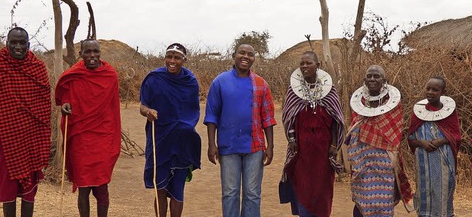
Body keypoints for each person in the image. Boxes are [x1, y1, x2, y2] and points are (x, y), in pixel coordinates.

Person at [0, 27, 51, 217]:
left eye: (22, 43)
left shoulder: (37, 68)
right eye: (13, 42)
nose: (17, 46)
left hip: (31, 138)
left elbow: (43, 105)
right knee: (7, 188)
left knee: (30, 189)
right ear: (6, 43)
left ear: (28, 45)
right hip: (4, 138)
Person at [204, 43, 276, 217]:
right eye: (242, 53)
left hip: (255, 147)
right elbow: (212, 115)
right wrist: (211, 144)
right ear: (233, 55)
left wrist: (270, 146)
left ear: (254, 59)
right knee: (230, 193)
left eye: (250, 54)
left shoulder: (261, 84)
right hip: (228, 146)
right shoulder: (220, 82)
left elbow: (267, 118)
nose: (246, 57)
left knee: (252, 194)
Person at [55, 39, 122, 217]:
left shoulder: (110, 75)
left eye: (95, 52)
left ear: (100, 53)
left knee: (101, 186)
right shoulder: (73, 75)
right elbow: (65, 98)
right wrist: (65, 105)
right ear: (81, 54)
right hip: (81, 138)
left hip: (103, 136)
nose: (92, 56)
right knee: (83, 187)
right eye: (88, 52)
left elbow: (113, 108)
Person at [279, 51, 345, 217]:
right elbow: (289, 116)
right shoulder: (294, 90)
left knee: (322, 188)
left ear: (318, 65)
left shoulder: (329, 90)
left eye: (308, 63)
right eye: (302, 63)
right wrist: (292, 138)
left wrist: (334, 145)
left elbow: (337, 120)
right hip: (301, 150)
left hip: (324, 152)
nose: (304, 66)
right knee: (303, 185)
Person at [139, 43, 201, 217]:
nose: (172, 61)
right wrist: (148, 112)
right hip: (159, 139)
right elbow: (142, 107)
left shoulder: (190, 82)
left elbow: (193, 111)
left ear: (184, 60)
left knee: (177, 191)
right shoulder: (154, 79)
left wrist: (184, 127)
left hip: (182, 142)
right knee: (160, 188)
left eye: (177, 57)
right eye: (169, 57)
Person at [346, 65, 412, 216]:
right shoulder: (358, 103)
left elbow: (395, 132)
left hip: (384, 162)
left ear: (384, 81)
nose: (372, 79)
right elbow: (353, 129)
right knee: (362, 197)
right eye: (369, 76)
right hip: (361, 161)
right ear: (364, 80)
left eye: (376, 76)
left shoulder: (393, 105)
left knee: (384, 200)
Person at [407, 76, 461, 217]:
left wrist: (441, 141)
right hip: (423, 161)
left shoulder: (449, 113)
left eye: (435, 90)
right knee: (424, 191)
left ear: (443, 92)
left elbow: (456, 136)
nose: (430, 92)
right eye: (428, 88)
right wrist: (421, 143)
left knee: (442, 192)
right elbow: (411, 139)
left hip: (443, 160)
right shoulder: (418, 112)